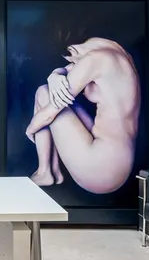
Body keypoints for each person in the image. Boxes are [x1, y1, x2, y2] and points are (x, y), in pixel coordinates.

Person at [25, 37, 140, 194]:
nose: (73, 66)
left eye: (73, 62)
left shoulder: (93, 59)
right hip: (122, 161)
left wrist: (31, 129)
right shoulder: (119, 54)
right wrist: (54, 75)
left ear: (73, 51)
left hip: (100, 167)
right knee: (60, 95)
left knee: (44, 92)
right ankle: (53, 171)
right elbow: (66, 70)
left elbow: (48, 114)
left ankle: (44, 171)